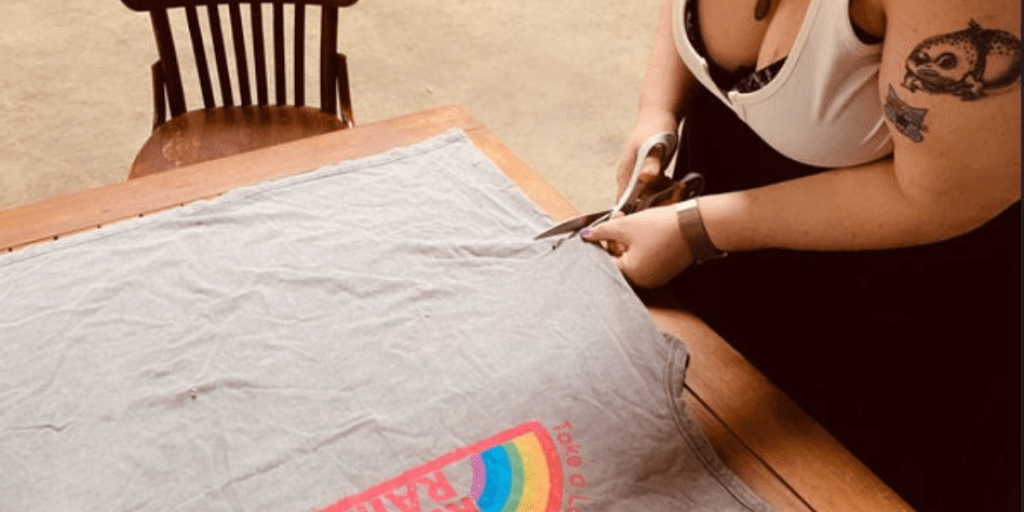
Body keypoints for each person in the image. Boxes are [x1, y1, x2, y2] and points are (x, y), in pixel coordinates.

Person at [581, 0, 1021, 510]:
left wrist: (697, 229)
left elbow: (940, 198)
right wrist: (658, 111)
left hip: (894, 312)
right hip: (719, 235)